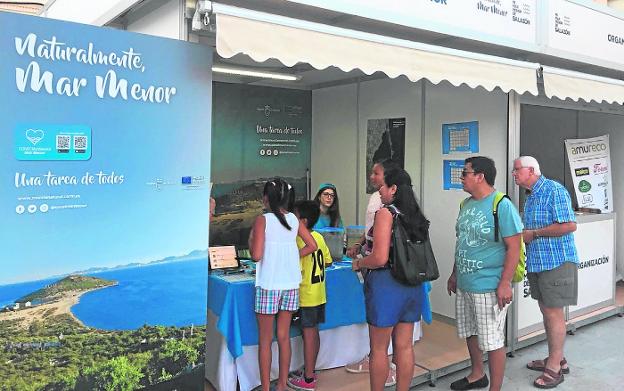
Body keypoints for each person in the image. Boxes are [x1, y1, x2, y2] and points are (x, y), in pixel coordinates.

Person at [447, 156, 523, 391]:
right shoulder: (465, 204)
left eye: (465, 173)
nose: (461, 178)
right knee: (471, 332)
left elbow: (514, 246)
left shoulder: (502, 205)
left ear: (480, 176)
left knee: (492, 340)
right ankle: (477, 374)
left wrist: (505, 283)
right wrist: (454, 273)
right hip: (466, 283)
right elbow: (462, 243)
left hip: (489, 285)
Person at [351, 165, 428, 391]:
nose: (380, 191)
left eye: (382, 187)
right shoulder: (415, 214)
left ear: (393, 188)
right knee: (404, 346)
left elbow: (380, 258)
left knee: (379, 349)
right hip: (412, 285)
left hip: (386, 285)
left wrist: (359, 263)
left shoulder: (386, 213)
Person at [512, 156, 578, 389]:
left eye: (517, 169)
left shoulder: (553, 190)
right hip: (538, 263)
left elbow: (569, 225)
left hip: (556, 261)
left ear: (531, 170)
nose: (514, 174)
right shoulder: (531, 196)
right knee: (547, 311)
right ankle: (557, 358)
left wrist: (535, 234)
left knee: (553, 313)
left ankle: (554, 368)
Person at [249, 178, 318, 391]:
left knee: (265, 340)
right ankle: (281, 385)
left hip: (269, 284)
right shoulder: (294, 221)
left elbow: (256, 255)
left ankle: (266, 388)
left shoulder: (263, 220)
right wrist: (292, 256)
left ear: (266, 198)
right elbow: (312, 245)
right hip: (290, 285)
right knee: (283, 336)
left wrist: (252, 239)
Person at [344, 159, 399, 387]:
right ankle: (382, 362)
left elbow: (382, 248)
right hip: (377, 265)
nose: (372, 177)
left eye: (376, 173)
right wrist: (359, 245)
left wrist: (362, 262)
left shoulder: (389, 204)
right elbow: (372, 231)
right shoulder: (377, 198)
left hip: (383, 269)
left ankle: (387, 366)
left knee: (385, 325)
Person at [287, 200, 333, 391]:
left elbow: (292, 267)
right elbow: (328, 262)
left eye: (294, 217)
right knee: (313, 332)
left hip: (306, 296)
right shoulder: (319, 238)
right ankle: (311, 369)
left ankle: (308, 379)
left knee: (309, 335)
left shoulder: (299, 240)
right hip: (319, 294)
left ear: (303, 222)